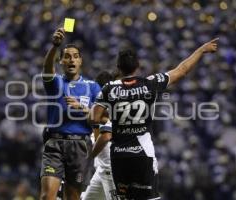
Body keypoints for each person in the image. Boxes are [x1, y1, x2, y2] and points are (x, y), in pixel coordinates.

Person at [89, 38, 218, 199]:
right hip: (143, 154)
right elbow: (181, 70)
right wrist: (201, 50)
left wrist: (104, 123)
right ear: (138, 66)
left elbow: (94, 117)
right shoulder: (149, 83)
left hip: (118, 156)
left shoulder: (109, 89)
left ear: (118, 68)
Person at [40, 27, 101, 200]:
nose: (71, 60)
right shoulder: (55, 82)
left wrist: (82, 108)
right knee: (47, 197)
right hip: (55, 144)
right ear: (61, 61)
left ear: (81, 61)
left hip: (80, 146)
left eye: (75, 56)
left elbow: (102, 117)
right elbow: (46, 68)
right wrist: (54, 47)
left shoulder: (93, 87)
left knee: (72, 197)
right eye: (67, 56)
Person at [82, 71, 116, 200]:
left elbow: (105, 137)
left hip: (110, 168)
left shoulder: (109, 107)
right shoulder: (104, 106)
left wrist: (90, 156)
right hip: (101, 169)